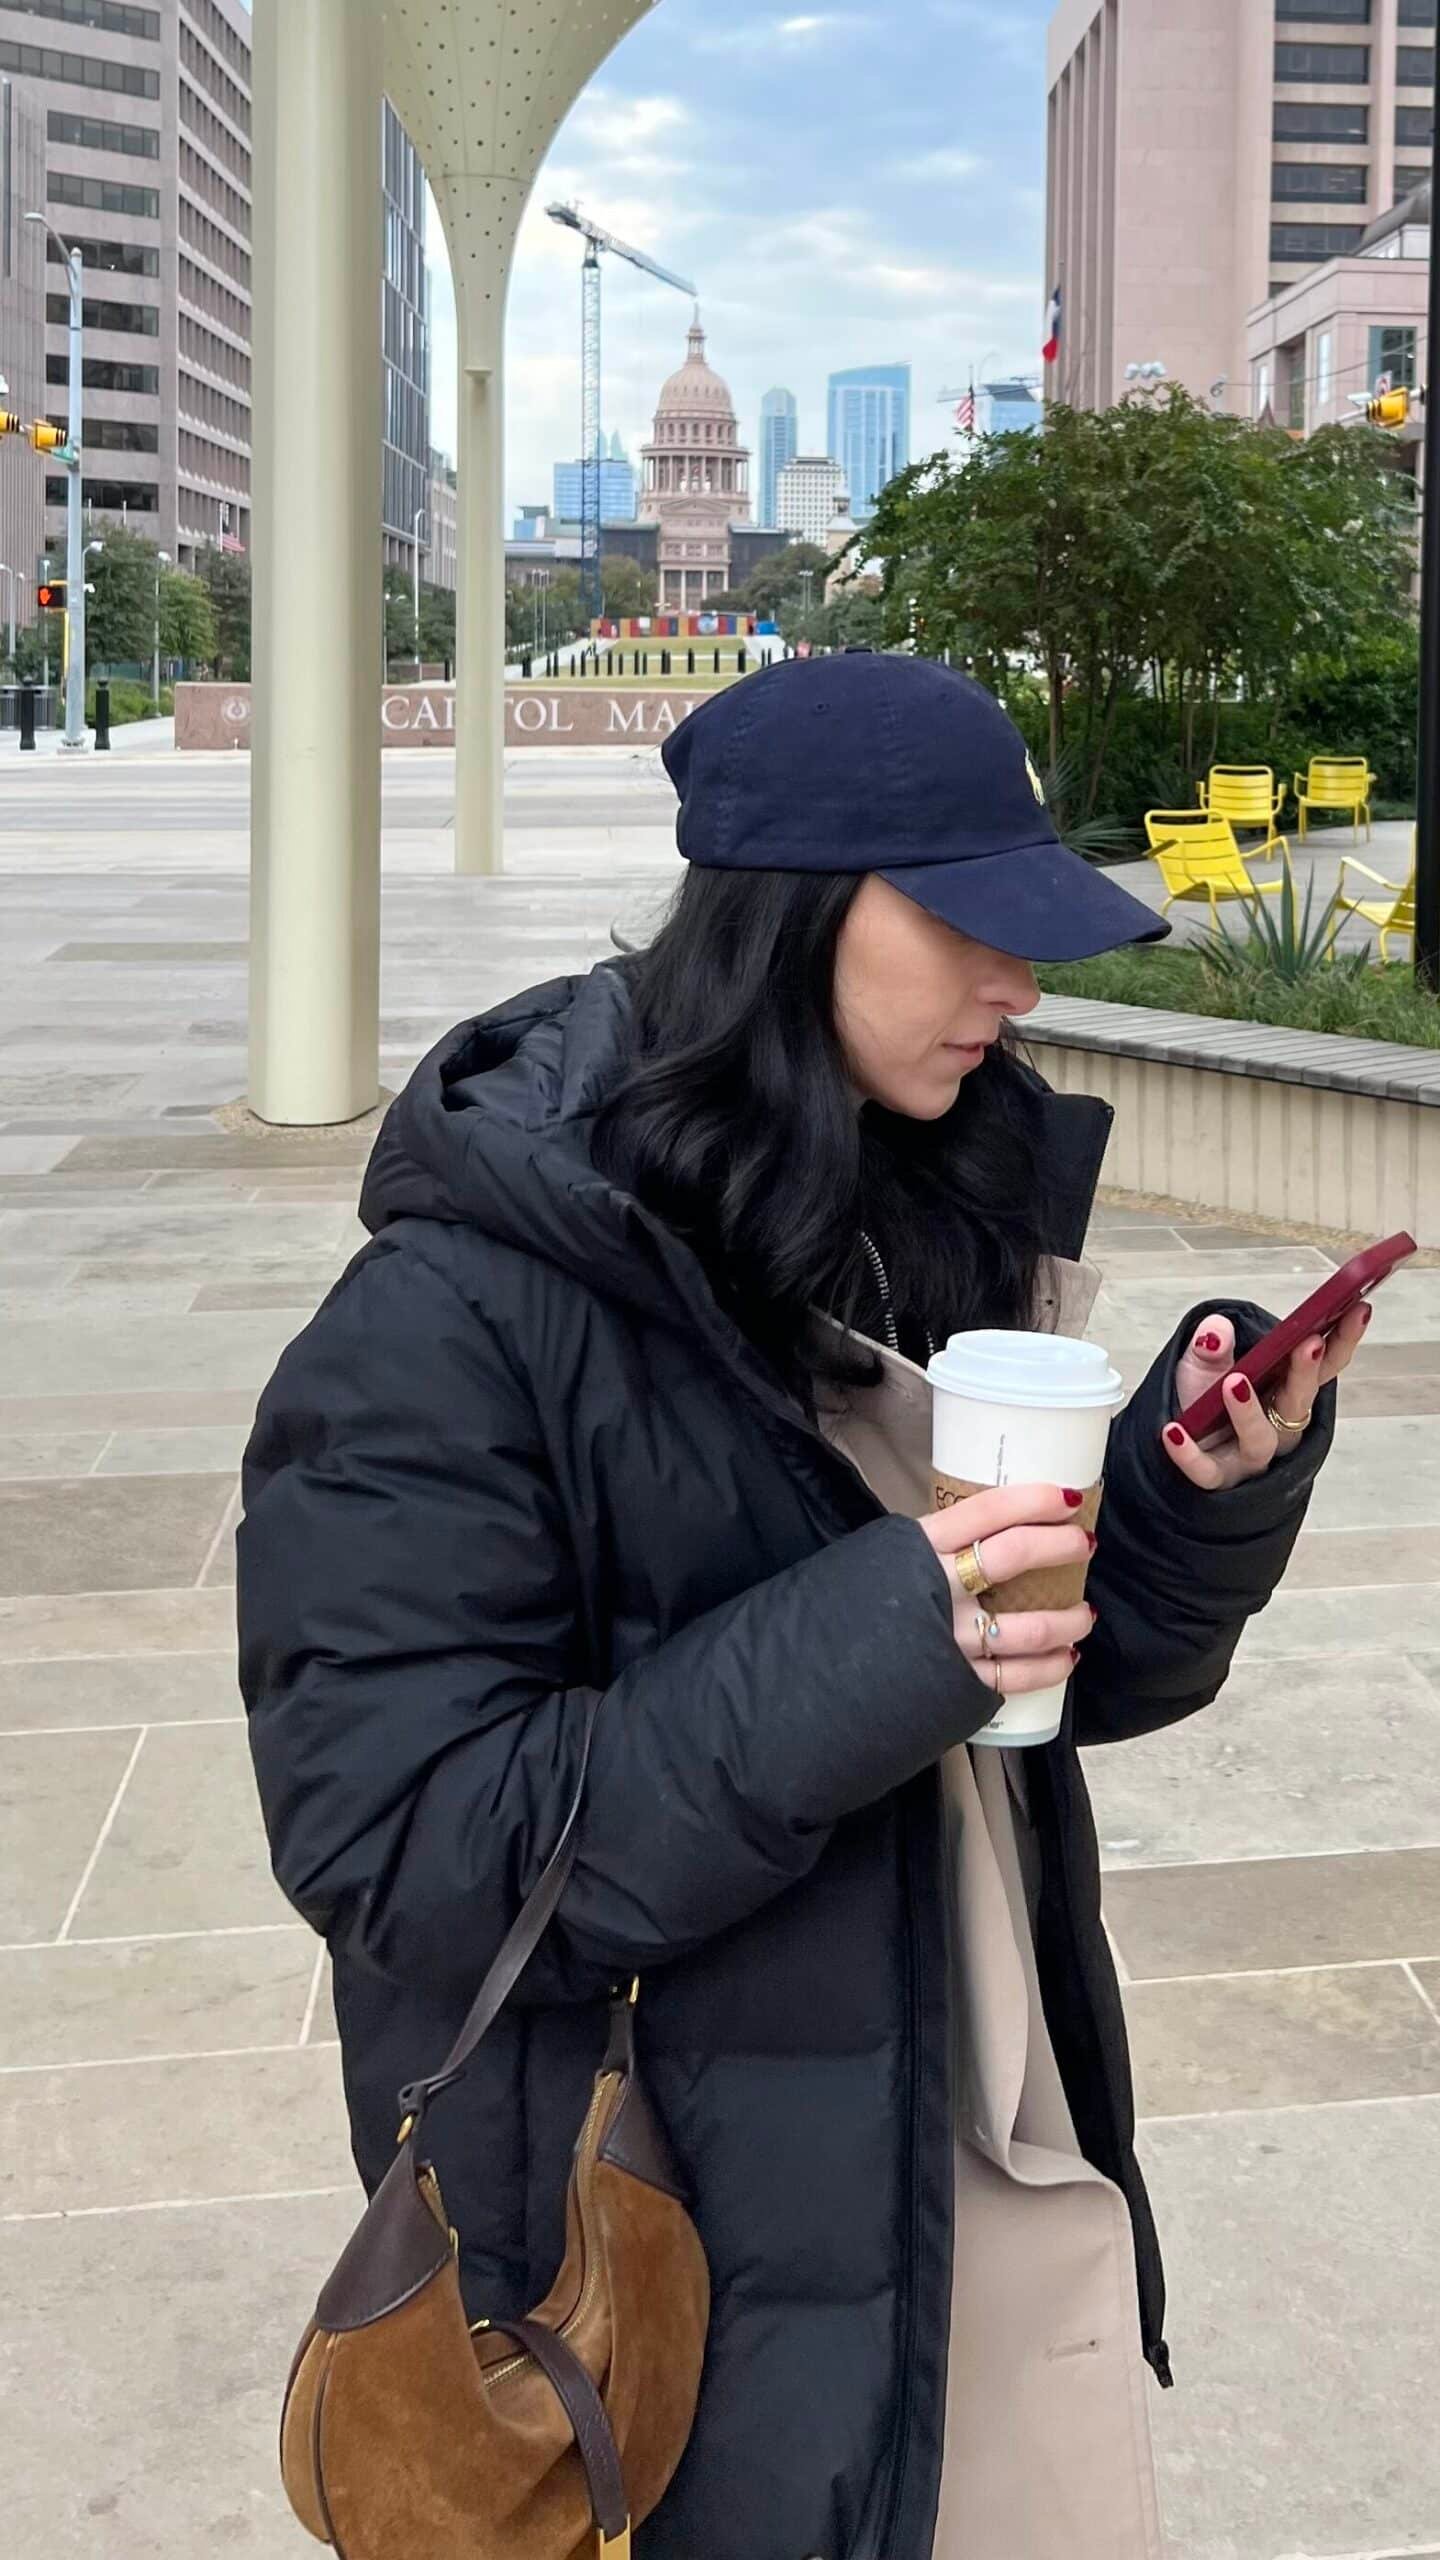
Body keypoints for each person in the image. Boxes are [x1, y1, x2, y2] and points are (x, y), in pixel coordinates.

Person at [238, 655, 1363, 2560]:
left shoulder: (914, 1206)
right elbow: (401, 1841)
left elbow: (1044, 1693)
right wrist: (881, 1640)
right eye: (970, 924)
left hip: (971, 2134)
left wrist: (1181, 1506)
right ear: (795, 913)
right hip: (676, 2234)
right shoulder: (445, 1322)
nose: (1022, 988)